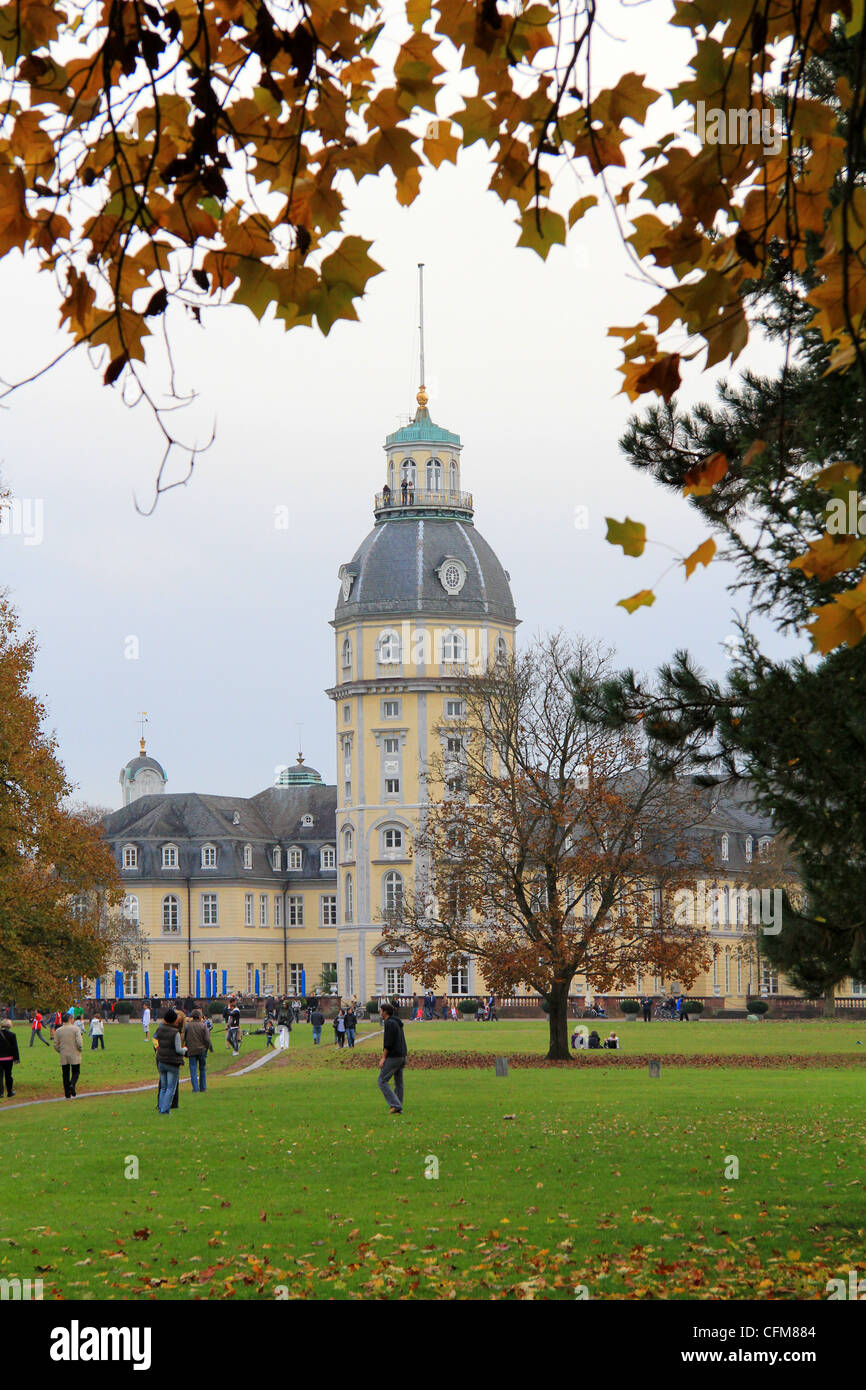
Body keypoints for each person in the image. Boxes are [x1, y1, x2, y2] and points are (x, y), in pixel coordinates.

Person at [377, 1002, 407, 1115]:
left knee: (382, 1081)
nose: (380, 1012)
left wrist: (383, 1058)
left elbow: (388, 1043)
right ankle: (398, 1107)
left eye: (381, 1010)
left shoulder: (389, 1023)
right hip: (402, 1055)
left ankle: (395, 1105)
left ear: (385, 1012)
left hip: (394, 1056)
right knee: (399, 1082)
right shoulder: (397, 1022)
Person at [154, 1008, 184, 1113]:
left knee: (163, 1087)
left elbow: (156, 1043)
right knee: (170, 1088)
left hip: (161, 1060)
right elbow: (178, 1049)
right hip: (172, 1061)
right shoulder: (175, 1033)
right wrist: (185, 1050)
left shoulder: (159, 1030)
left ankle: (161, 1106)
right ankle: (165, 1109)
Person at [53, 1011, 82, 1098]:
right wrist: (80, 1049)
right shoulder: (76, 1029)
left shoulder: (58, 1030)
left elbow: (55, 1044)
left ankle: (67, 1093)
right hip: (74, 1052)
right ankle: (72, 1084)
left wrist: (61, 1051)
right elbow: (79, 1042)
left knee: (65, 1074)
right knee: (76, 1071)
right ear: (70, 1019)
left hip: (64, 1054)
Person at [185, 1008, 212, 1092]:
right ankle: (203, 1087)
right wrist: (207, 1048)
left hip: (191, 1050)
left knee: (193, 1069)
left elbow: (184, 1038)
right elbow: (207, 1039)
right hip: (201, 1050)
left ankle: (195, 1088)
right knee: (202, 1069)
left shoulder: (187, 1026)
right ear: (200, 1016)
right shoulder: (203, 1026)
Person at [0, 1017, 20, 1098]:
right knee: (8, 1076)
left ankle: (0, 1093)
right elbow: (15, 1048)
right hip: (8, 1059)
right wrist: (16, 1059)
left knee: (0, 1076)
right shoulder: (12, 1035)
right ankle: (9, 1091)